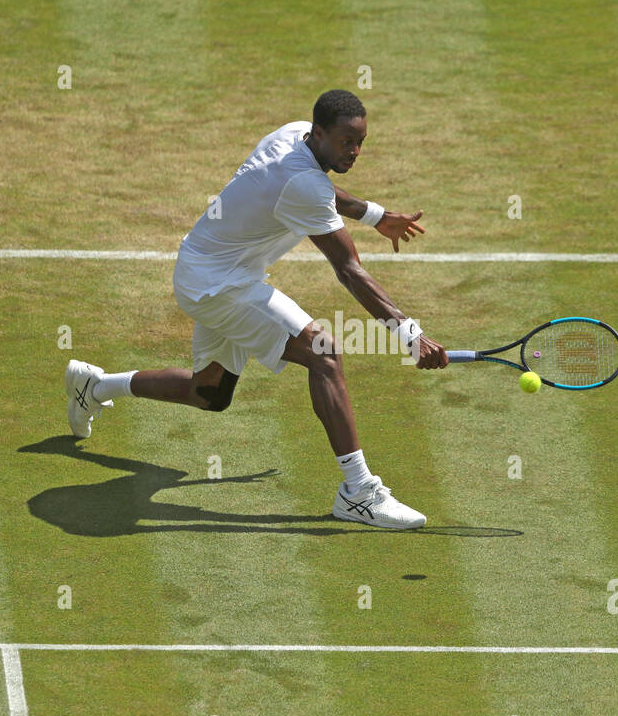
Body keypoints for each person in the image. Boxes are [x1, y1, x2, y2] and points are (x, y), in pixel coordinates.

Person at [64, 89, 447, 530]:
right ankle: (358, 493)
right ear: (319, 132)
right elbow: (349, 270)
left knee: (209, 393)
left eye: (361, 142)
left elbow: (322, 189)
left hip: (205, 268)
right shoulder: (303, 184)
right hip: (218, 285)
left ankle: (93, 386)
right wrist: (411, 336)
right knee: (324, 354)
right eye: (346, 142)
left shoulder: (294, 135)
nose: (355, 152)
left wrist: (376, 215)